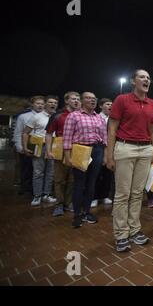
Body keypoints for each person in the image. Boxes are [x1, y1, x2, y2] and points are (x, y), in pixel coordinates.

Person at [107, 69, 153, 253]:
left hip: (145, 149)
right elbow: (112, 129)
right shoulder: (122, 99)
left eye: (148, 78)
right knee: (122, 194)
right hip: (125, 147)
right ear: (133, 81)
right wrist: (109, 154)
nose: (146, 80)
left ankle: (135, 230)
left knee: (137, 193)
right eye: (142, 77)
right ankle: (121, 234)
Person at [63, 92, 107, 228]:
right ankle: (77, 214)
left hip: (97, 150)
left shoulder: (99, 117)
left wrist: (105, 155)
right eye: (88, 98)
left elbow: (105, 138)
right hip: (81, 150)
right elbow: (67, 138)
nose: (92, 100)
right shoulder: (74, 116)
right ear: (81, 101)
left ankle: (87, 211)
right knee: (79, 183)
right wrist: (68, 156)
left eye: (94, 98)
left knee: (91, 183)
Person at [46, 91, 81, 216]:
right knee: (60, 179)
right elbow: (49, 133)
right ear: (66, 101)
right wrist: (49, 150)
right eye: (73, 98)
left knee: (73, 179)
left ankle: (68, 202)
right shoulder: (57, 115)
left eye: (78, 98)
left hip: (77, 149)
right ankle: (59, 204)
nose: (76, 100)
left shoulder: (81, 115)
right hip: (60, 148)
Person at [22, 95, 59, 206]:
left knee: (50, 172)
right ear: (45, 104)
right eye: (50, 102)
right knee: (38, 172)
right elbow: (25, 132)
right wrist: (24, 147)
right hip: (39, 145)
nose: (53, 104)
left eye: (55, 103)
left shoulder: (57, 117)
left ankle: (46, 194)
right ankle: (37, 196)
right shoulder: (37, 117)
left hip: (54, 146)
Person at [13, 97, 42, 196]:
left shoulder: (47, 116)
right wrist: (20, 147)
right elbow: (18, 132)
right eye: (37, 103)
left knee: (38, 170)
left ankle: (36, 190)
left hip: (41, 146)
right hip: (27, 145)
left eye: (42, 104)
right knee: (26, 168)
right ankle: (26, 189)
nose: (40, 105)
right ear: (32, 105)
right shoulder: (23, 117)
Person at [92, 98, 114, 208]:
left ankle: (105, 195)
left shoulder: (113, 118)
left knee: (108, 173)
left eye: (111, 104)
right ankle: (94, 197)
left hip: (111, 147)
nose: (110, 105)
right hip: (99, 147)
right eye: (107, 104)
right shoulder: (96, 117)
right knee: (96, 173)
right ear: (101, 106)